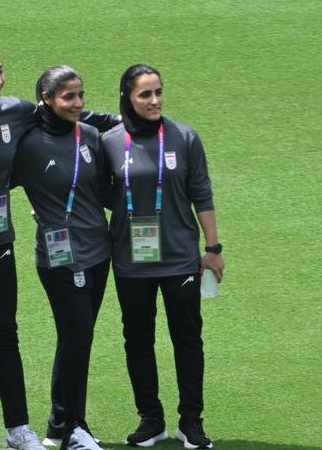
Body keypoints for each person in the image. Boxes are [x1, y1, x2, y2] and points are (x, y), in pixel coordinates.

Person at [0, 45, 119, 450]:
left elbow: (68, 112)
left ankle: (18, 430)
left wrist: (123, 120)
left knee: (4, 334)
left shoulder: (16, 110)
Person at [101, 64, 224, 449]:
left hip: (180, 258)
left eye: (158, 92)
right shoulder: (108, 142)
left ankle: (192, 421)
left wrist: (213, 249)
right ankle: (150, 419)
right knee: (137, 340)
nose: (154, 101)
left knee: (187, 339)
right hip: (130, 260)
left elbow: (200, 193)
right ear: (127, 98)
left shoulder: (184, 137)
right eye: (144, 94)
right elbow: (94, 192)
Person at [12, 66, 110, 450]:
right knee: (76, 336)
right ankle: (68, 427)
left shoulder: (89, 136)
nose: (77, 103)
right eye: (68, 97)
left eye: (80, 95)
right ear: (46, 99)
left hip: (99, 253)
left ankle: (65, 425)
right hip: (59, 259)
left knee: (81, 340)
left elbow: (102, 190)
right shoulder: (29, 144)